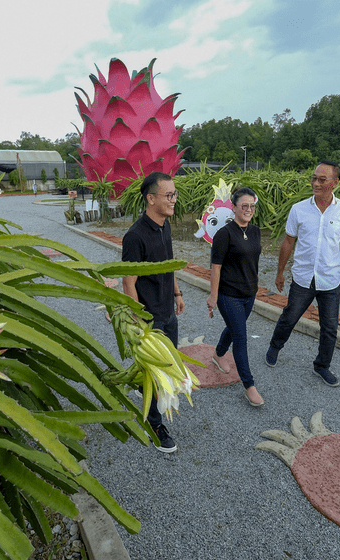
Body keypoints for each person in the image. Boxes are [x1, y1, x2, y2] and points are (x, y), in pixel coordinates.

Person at [265, 160, 340, 387]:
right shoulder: (298, 209)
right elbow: (288, 241)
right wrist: (280, 272)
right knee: (289, 317)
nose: (315, 183)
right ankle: (274, 347)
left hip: (330, 281)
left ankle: (322, 366)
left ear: (335, 183)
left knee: (329, 327)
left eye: (322, 179)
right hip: (303, 278)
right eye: (314, 178)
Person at [122, 171, 185, 453]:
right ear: (151, 199)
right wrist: (138, 322)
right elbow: (128, 280)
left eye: (174, 194)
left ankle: (140, 382)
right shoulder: (134, 236)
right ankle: (155, 423)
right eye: (168, 195)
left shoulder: (165, 225)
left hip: (168, 311)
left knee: (163, 369)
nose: (174, 200)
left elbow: (169, 264)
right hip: (150, 319)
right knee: (160, 376)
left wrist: (177, 293)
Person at [207, 187, 264, 406]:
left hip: (249, 293)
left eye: (252, 206)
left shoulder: (255, 231)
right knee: (241, 337)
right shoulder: (224, 234)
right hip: (228, 295)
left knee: (234, 328)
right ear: (234, 207)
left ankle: (219, 353)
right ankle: (249, 385)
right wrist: (213, 295)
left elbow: (252, 262)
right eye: (244, 206)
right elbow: (216, 267)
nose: (249, 209)